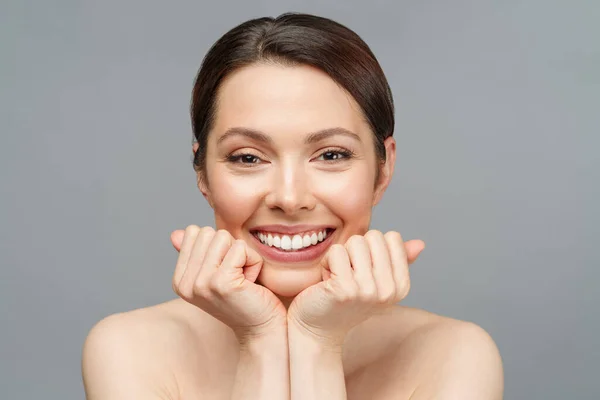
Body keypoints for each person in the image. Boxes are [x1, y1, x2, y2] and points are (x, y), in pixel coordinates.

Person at [81, 12, 503, 400]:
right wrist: (261, 339)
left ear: (383, 167)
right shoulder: (128, 349)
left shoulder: (455, 355)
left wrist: (317, 342)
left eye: (331, 155)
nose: (289, 198)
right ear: (203, 174)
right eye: (248, 158)